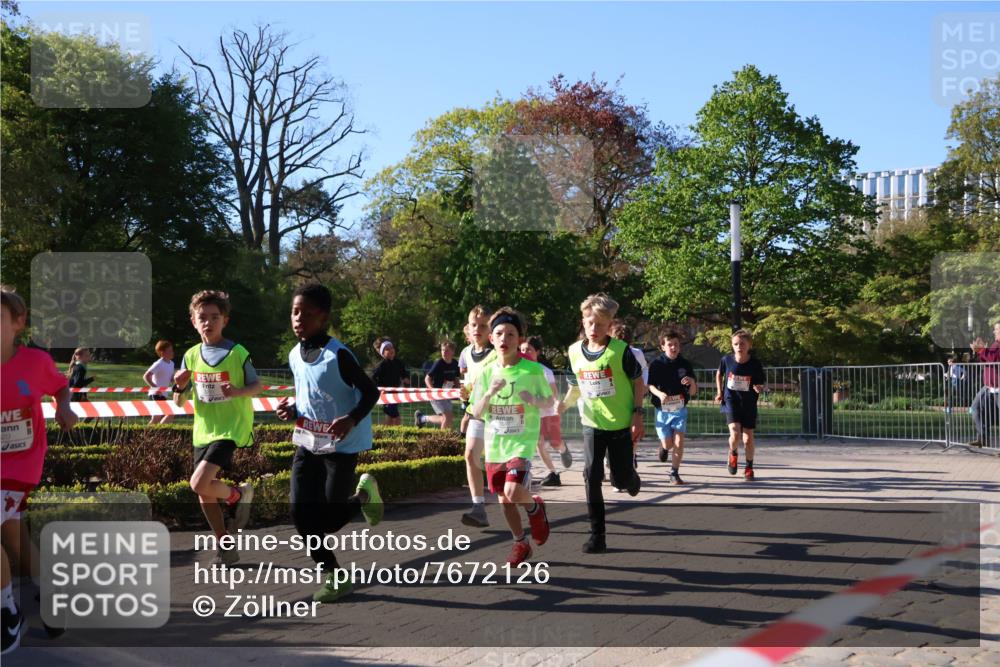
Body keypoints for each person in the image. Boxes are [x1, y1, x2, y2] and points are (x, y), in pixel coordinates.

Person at [276, 284, 383, 602]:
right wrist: (291, 409)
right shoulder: (295, 354)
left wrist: (351, 418)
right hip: (308, 442)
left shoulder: (338, 355)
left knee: (330, 520)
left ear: (323, 318)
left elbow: (371, 392)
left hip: (342, 444)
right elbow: (308, 397)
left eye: (307, 314)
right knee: (299, 513)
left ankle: (364, 495)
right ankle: (335, 575)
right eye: (295, 312)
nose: (299, 319)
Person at [1, 287, 78, 654]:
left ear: (18, 323)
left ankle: (7, 614)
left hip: (20, 463)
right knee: (13, 537)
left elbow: (60, 387)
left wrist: (65, 407)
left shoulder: (34, 362)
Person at [172, 291, 261, 566]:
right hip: (203, 429)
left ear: (225, 320)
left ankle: (236, 495)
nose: (208, 322)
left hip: (230, 428)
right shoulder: (190, 356)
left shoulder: (237, 352)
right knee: (204, 493)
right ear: (193, 321)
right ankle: (226, 547)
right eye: (203, 318)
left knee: (198, 483)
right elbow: (178, 401)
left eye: (214, 317)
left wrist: (236, 391)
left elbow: (257, 386)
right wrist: (179, 385)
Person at [562, 294, 644, 554]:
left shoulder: (620, 351)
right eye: (589, 323)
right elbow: (574, 386)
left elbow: (638, 381)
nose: (594, 329)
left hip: (619, 424)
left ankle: (630, 478)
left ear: (610, 324)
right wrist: (561, 406)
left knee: (619, 479)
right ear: (583, 322)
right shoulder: (574, 352)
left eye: (600, 324)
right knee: (591, 476)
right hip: (592, 423)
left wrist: (637, 413)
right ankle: (597, 535)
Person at [469, 308, 552, 564]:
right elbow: (477, 412)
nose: (505, 338)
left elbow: (549, 400)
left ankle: (535, 508)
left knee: (514, 491)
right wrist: (488, 393)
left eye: (511, 334)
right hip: (496, 446)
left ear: (519, 339)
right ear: (491, 339)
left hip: (521, 443)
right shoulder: (485, 372)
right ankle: (520, 543)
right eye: (499, 333)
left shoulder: (533, 371)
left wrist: (534, 399)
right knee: (505, 500)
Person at [457, 306, 496, 528]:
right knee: (471, 454)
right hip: (476, 413)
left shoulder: (494, 355)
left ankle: (526, 498)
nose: (478, 329)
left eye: (483, 325)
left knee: (495, 464)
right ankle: (478, 507)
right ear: (468, 328)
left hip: (497, 416)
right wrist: (465, 397)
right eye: (474, 325)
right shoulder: (464, 353)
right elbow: (468, 382)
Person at [520, 337, 572, 487]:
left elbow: (553, 393)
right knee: (539, 444)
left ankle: (563, 448)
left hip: (549, 412)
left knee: (555, 443)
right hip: (533, 414)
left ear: (537, 352)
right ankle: (553, 474)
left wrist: (542, 400)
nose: (525, 353)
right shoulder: (520, 370)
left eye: (528, 350)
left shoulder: (545, 371)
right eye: (522, 350)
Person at [647, 330, 697, 484]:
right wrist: (660, 394)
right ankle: (663, 448)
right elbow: (650, 385)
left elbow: (694, 392)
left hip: (680, 409)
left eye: (676, 344)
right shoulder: (656, 364)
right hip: (662, 410)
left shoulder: (685, 364)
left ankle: (674, 473)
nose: (673, 348)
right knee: (668, 444)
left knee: (679, 441)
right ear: (663, 347)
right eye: (670, 345)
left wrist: (692, 383)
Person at [715, 329, 765, 480]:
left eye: (742, 344)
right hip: (731, 400)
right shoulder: (726, 360)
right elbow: (719, 374)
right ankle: (733, 453)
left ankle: (749, 467)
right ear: (732, 345)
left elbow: (760, 382)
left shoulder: (755, 363)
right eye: (736, 344)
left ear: (749, 345)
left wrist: (758, 387)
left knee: (748, 438)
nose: (739, 347)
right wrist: (719, 392)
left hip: (748, 403)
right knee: (735, 433)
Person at [416, 341, 460, 430]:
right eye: (442, 350)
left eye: (447, 350)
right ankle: (443, 440)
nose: (444, 352)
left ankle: (422, 418)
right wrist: (432, 390)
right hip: (436, 394)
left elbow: (456, 378)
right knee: (448, 417)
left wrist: (459, 390)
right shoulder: (439, 363)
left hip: (446, 394)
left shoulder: (455, 363)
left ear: (453, 352)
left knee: (447, 418)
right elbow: (427, 378)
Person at [969, 322, 1000, 448]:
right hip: (988, 387)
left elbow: (994, 358)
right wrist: (979, 351)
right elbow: (988, 359)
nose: (994, 331)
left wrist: (982, 350)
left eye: (997, 329)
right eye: (995, 329)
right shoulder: (995, 344)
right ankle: (983, 438)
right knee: (975, 408)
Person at [371, 338, 409, 426]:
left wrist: (406, 378)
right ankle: (398, 436)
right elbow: (373, 378)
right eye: (387, 349)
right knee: (396, 417)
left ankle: (382, 435)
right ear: (382, 353)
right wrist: (379, 389)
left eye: (391, 348)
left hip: (395, 393)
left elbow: (403, 372)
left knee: (390, 417)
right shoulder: (381, 365)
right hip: (386, 395)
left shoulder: (399, 362)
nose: (391, 350)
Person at [143, 340, 176, 425]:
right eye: (170, 351)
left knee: (171, 414)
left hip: (163, 394)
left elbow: (171, 379)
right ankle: (145, 435)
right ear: (162, 353)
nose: (172, 352)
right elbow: (146, 376)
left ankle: (159, 432)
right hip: (155, 394)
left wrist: (178, 379)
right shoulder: (158, 363)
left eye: (172, 350)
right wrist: (156, 388)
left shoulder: (171, 363)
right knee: (156, 417)